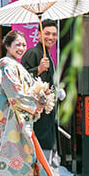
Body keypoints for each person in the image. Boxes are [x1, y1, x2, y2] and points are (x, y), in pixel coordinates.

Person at [0, 30, 62, 176]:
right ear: (7, 46)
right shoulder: (8, 69)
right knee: (16, 165)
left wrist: (40, 94)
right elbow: (16, 96)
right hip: (14, 124)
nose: (21, 48)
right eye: (17, 44)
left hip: (18, 123)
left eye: (23, 44)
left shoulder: (13, 68)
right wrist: (38, 103)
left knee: (25, 163)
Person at [21, 21, 61, 163]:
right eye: (47, 33)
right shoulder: (33, 53)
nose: (51, 37)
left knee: (47, 145)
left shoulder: (47, 55)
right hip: (35, 111)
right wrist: (38, 69)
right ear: (39, 35)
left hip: (46, 109)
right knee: (39, 146)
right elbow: (21, 79)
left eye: (54, 34)